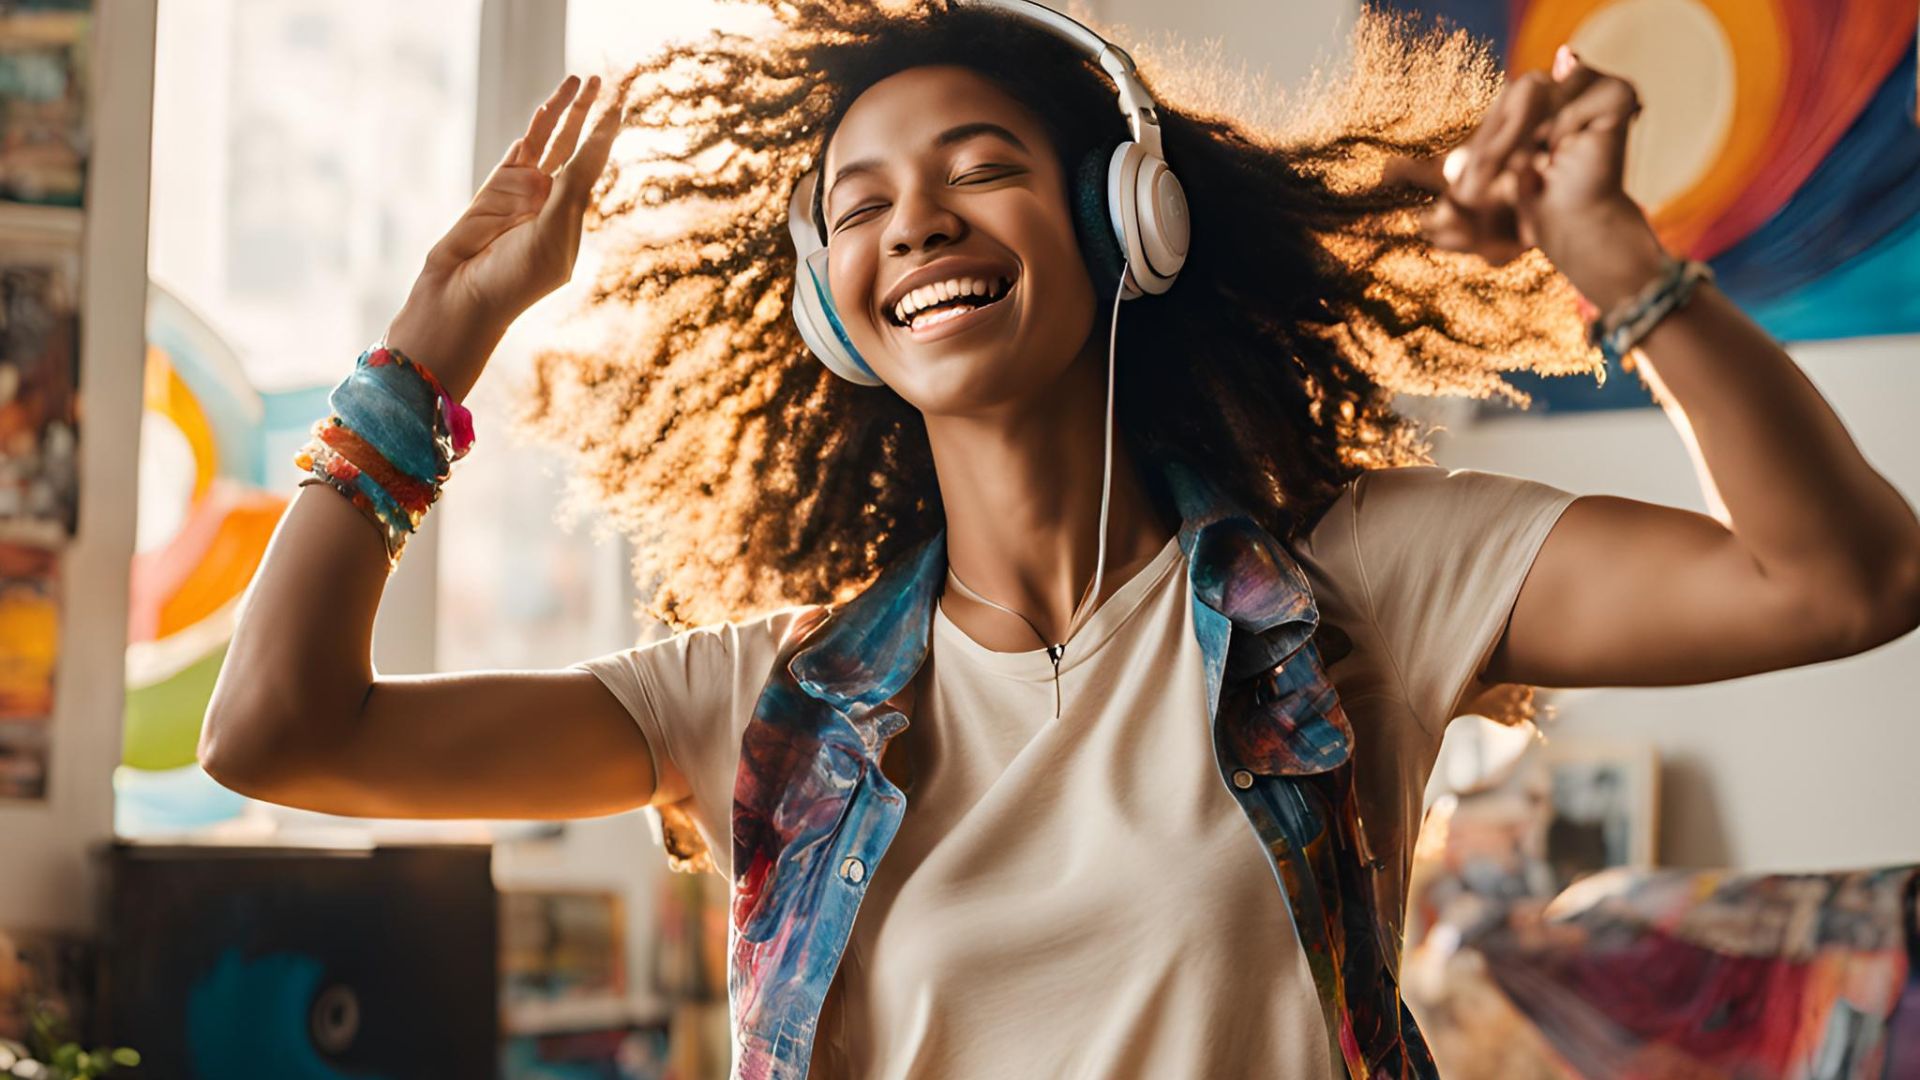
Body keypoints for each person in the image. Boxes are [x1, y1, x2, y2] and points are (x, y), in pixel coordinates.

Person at [199, 2, 1920, 1077]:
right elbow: (280, 735)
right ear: (829, 308)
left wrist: (1618, 260)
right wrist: (431, 345)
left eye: (978, 168)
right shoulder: (765, 702)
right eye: (858, 205)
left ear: (1128, 223)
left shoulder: (1362, 589)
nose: (917, 220)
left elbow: (1846, 580)